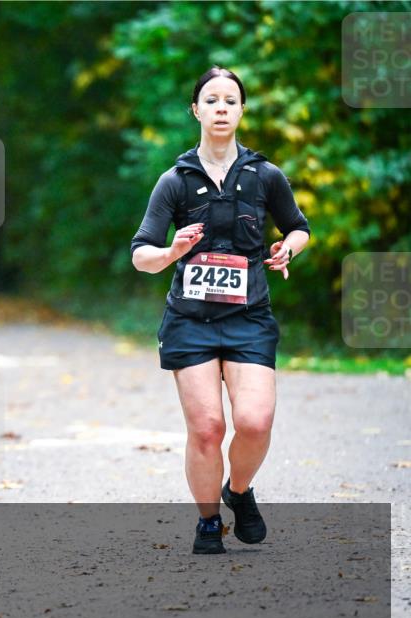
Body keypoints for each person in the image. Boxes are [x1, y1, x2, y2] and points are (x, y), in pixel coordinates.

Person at [130, 66, 311, 555]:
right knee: (207, 428)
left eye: (230, 100)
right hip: (190, 321)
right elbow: (141, 254)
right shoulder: (175, 180)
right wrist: (172, 251)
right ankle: (209, 520)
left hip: (249, 317)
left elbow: (299, 227)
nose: (221, 108)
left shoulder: (264, 176)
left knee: (254, 422)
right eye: (212, 100)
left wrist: (286, 250)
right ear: (196, 110)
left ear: (241, 110)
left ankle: (238, 491)